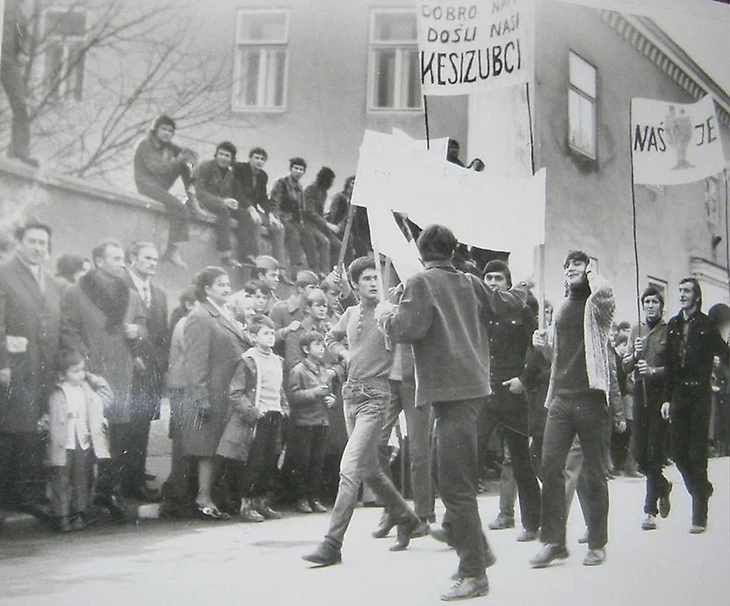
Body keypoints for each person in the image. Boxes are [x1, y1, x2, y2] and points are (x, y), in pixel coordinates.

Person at [377, 226, 531, 601]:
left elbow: (407, 328)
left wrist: (386, 313)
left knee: (455, 487)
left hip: (451, 394)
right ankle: (479, 548)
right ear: (453, 251)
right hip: (472, 389)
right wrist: (524, 285)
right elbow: (507, 304)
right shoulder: (470, 281)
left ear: (421, 250)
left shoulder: (419, 283)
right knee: (450, 474)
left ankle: (473, 573)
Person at [303, 256, 421, 567]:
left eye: (376, 278)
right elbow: (330, 338)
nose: (372, 283)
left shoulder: (389, 314)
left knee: (350, 468)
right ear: (355, 285)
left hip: (376, 399)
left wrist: (394, 310)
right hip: (349, 397)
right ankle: (406, 518)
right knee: (369, 470)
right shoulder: (351, 314)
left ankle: (332, 543)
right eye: (366, 278)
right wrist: (342, 352)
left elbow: (406, 327)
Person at [529, 251, 615, 569]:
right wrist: (545, 345)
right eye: (566, 266)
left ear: (589, 270)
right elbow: (559, 357)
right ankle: (554, 542)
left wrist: (589, 274)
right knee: (550, 466)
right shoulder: (562, 306)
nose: (570, 270)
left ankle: (596, 542)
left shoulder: (597, 306)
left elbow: (605, 292)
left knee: (593, 473)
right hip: (562, 399)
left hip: (590, 398)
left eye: (577, 265)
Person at [60, 239, 147, 521]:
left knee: (118, 434)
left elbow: (143, 325)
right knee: (86, 434)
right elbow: (68, 330)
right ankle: (80, 500)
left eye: (123, 258)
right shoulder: (75, 292)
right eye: (116, 258)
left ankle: (108, 491)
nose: (122, 262)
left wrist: (138, 331)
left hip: (121, 372)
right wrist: (83, 364)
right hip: (90, 373)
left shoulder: (130, 294)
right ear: (98, 261)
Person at [0, 223, 61, 515]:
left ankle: (26, 495)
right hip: (14, 368)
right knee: (9, 432)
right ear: (19, 243)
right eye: (33, 241)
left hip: (43, 367)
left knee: (35, 430)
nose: (39, 247)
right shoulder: (4, 274)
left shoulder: (52, 282)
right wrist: (2, 364)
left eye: (43, 243)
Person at [478, 260, 541, 543]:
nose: (492, 283)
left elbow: (537, 349)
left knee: (520, 459)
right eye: (488, 278)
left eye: (498, 279)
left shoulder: (523, 310)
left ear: (508, 282)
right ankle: (457, 523)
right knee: (469, 454)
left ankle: (532, 523)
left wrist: (523, 379)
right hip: (483, 392)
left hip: (512, 392)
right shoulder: (479, 310)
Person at [661, 278, 727, 534]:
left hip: (700, 394)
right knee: (677, 452)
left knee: (697, 455)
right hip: (679, 395)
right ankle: (703, 490)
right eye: (679, 291)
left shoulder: (707, 325)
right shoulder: (674, 325)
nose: (681, 295)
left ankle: (699, 516)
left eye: (686, 291)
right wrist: (667, 398)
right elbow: (668, 365)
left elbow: (723, 352)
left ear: (697, 297)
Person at [183, 266, 248, 520]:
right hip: (211, 391)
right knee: (207, 449)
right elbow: (196, 361)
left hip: (228, 391)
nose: (226, 288)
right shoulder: (200, 316)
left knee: (221, 447)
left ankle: (217, 497)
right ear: (207, 289)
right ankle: (203, 498)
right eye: (220, 284)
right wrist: (201, 396)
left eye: (227, 284)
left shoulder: (225, 312)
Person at [221, 315, 288, 523]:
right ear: (252, 336)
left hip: (275, 415)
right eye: (265, 333)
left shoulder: (277, 360)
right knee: (254, 462)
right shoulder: (249, 361)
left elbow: (280, 389)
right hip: (257, 418)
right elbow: (236, 393)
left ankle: (261, 502)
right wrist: (252, 411)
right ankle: (246, 504)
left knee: (270, 461)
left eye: (272, 333)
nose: (270, 337)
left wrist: (284, 408)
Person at [41, 350, 112, 532]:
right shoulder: (56, 392)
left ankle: (80, 515)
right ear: (62, 374)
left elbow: (108, 396)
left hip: (82, 441)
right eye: (75, 371)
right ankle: (61, 516)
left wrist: (91, 377)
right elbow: (46, 415)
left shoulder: (88, 390)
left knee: (82, 480)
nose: (80, 374)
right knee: (61, 480)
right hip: (62, 442)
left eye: (82, 370)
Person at [122, 241, 169, 501]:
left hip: (150, 369)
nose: (152, 263)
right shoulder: (122, 285)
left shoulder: (159, 293)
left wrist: (159, 364)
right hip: (128, 367)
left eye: (155, 259)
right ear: (133, 258)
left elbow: (161, 333)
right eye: (147, 258)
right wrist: (134, 356)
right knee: (125, 427)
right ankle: (123, 483)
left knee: (142, 427)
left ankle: (136, 478)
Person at [622, 286, 671, 531]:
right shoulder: (636, 330)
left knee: (653, 455)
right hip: (639, 397)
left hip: (659, 398)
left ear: (661, 306)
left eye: (654, 302)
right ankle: (663, 486)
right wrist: (634, 356)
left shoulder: (669, 331)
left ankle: (649, 511)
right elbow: (625, 365)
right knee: (639, 454)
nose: (650, 306)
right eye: (646, 302)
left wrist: (654, 372)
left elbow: (674, 367)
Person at [133, 115, 209, 269]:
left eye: (170, 131)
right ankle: (172, 251)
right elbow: (157, 169)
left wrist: (192, 161)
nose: (167, 133)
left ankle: (194, 202)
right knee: (180, 208)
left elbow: (187, 156)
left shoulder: (170, 147)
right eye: (163, 129)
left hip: (160, 186)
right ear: (155, 129)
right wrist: (180, 159)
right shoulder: (145, 145)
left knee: (184, 166)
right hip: (147, 185)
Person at [285, 331, 336, 514]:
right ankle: (301, 498)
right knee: (303, 462)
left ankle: (314, 498)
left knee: (317, 462)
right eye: (317, 345)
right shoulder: (298, 370)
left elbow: (328, 393)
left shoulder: (324, 370)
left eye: (322, 344)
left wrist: (332, 399)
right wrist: (314, 392)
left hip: (321, 421)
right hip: (304, 423)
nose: (322, 348)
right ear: (306, 349)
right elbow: (293, 396)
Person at [160, 287, 197, 518]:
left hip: (182, 386)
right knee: (184, 442)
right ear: (189, 304)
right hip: (184, 388)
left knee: (185, 440)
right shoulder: (186, 324)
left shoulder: (186, 322)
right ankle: (179, 495)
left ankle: (181, 492)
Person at [233, 147, 286, 267]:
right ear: (250, 158)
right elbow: (237, 192)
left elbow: (262, 198)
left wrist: (270, 214)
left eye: (262, 159)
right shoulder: (240, 169)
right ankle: (254, 259)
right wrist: (250, 208)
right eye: (256, 158)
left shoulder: (262, 176)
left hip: (254, 209)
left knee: (278, 228)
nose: (259, 161)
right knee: (255, 221)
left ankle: (280, 268)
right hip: (239, 206)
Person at [195, 141, 242, 268]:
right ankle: (226, 255)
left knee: (242, 214)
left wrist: (231, 201)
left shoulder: (230, 174)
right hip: (201, 199)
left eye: (227, 156)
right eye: (221, 154)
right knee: (224, 211)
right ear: (216, 155)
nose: (223, 158)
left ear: (232, 159)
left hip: (216, 203)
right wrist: (223, 201)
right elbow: (198, 190)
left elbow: (226, 194)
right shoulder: (205, 166)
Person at [1, 0, 36, 166]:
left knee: (21, 105)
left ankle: (20, 153)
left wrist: (22, 50)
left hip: (7, 60)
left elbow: (22, 30)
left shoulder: (13, 6)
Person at [270, 158, 316, 276]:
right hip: (281, 217)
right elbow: (275, 201)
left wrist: (302, 222)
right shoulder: (282, 183)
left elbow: (300, 209)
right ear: (291, 169)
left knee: (308, 235)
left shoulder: (300, 188)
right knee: (293, 233)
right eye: (296, 168)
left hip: (293, 220)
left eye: (301, 169)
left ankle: (313, 268)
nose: (298, 171)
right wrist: (275, 217)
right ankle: (295, 268)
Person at [304, 167, 341, 276]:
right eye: (330, 181)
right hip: (309, 224)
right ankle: (323, 272)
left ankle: (333, 273)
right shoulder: (310, 189)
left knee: (338, 244)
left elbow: (320, 212)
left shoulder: (323, 192)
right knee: (325, 242)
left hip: (319, 225)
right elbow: (309, 211)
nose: (332, 184)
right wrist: (327, 224)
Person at [270, 270, 319, 350]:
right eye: (312, 288)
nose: (316, 291)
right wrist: (286, 330)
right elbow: (270, 336)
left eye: (317, 288)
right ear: (300, 289)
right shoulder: (280, 309)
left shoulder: (315, 310)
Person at [326, 176, 371, 260]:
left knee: (362, 247)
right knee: (347, 242)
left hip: (350, 229)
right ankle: (347, 266)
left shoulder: (356, 200)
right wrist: (336, 226)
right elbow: (333, 213)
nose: (354, 185)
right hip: (337, 226)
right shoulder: (339, 196)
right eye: (352, 183)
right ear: (348, 184)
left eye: (356, 183)